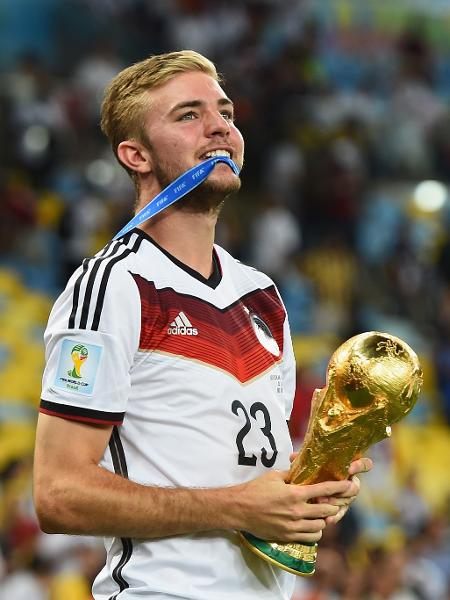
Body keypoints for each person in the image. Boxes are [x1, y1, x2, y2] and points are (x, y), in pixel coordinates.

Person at [33, 50, 372, 600]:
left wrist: (310, 490)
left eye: (226, 112)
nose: (220, 126)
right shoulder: (114, 286)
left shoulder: (262, 295)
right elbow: (58, 493)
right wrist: (234, 508)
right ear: (135, 155)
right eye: (188, 115)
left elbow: (258, 475)